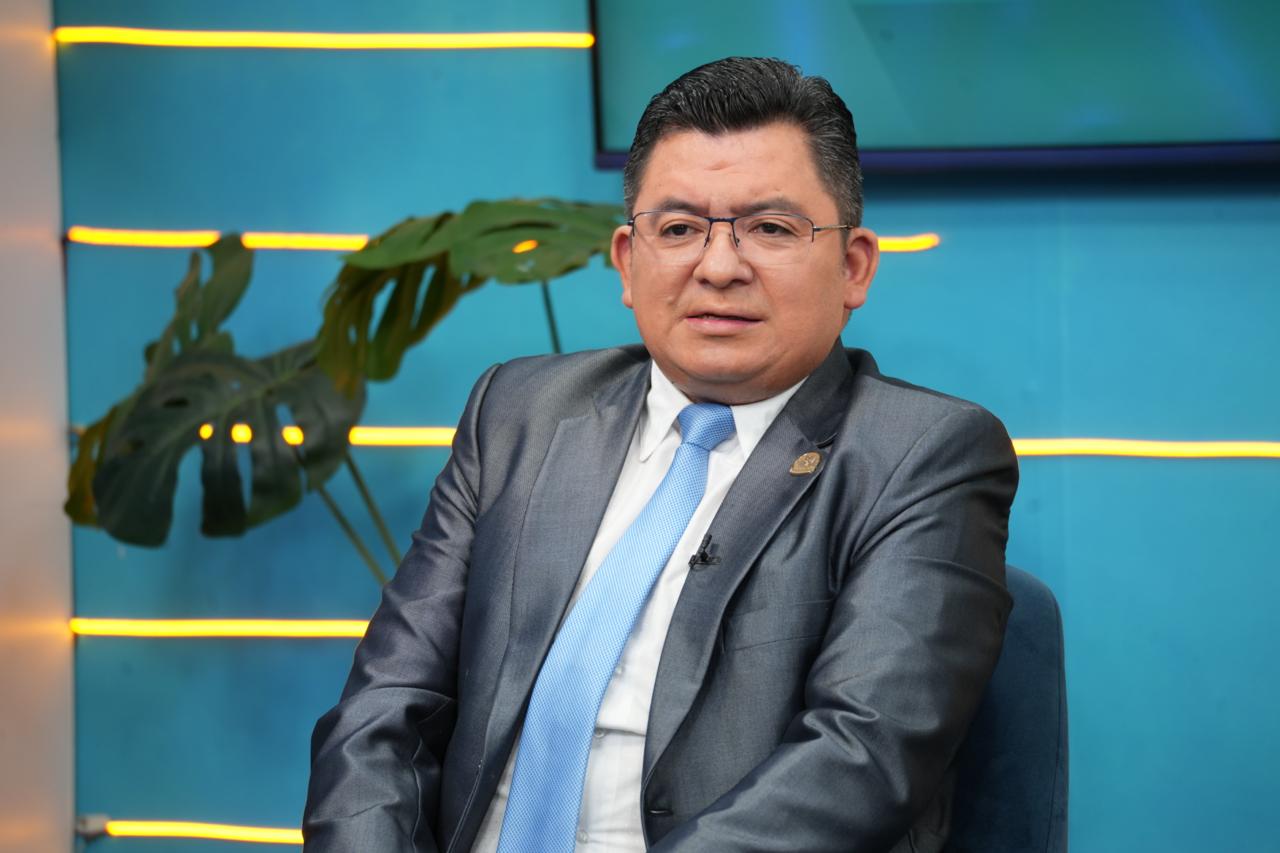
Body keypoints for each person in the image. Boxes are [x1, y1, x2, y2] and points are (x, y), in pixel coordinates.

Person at [303, 56, 1018, 853]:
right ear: (627, 260)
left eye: (771, 229)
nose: (719, 267)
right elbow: (382, 714)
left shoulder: (923, 455)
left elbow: (860, 760)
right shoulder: (520, 415)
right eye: (678, 229)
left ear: (854, 266)